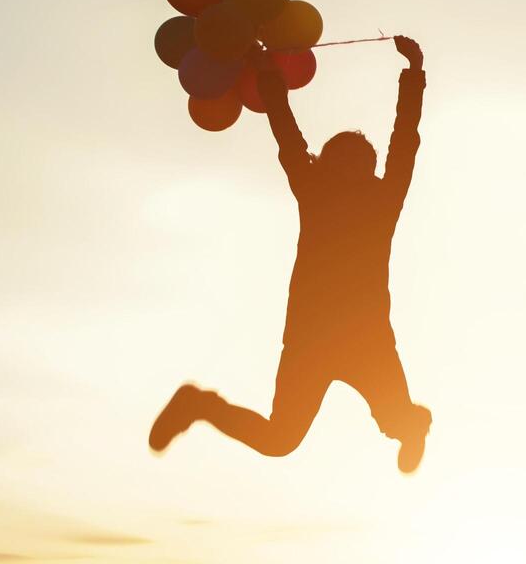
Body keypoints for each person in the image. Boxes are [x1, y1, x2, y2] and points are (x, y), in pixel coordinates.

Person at [148, 36, 433, 473]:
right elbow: (286, 130)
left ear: (371, 168)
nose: (356, 166)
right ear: (330, 163)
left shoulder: (381, 199)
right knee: (281, 440)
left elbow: (404, 141)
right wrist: (266, 76)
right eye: (347, 158)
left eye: (363, 159)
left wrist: (413, 73)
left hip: (365, 338)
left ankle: (411, 426)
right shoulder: (317, 190)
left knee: (396, 421)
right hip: (312, 341)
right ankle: (199, 405)